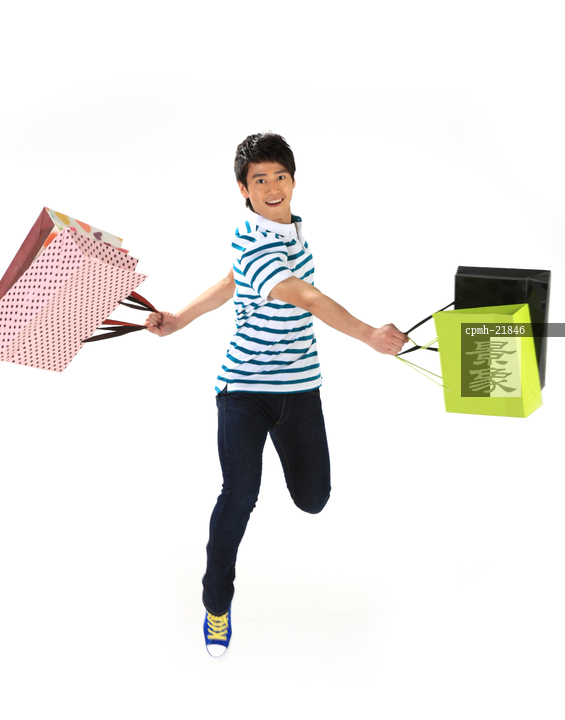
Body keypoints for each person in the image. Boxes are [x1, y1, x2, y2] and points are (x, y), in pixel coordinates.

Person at [145, 133, 408, 657]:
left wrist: (178, 319)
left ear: (293, 180)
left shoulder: (288, 227)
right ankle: (216, 605)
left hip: (300, 389)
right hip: (244, 390)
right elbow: (306, 296)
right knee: (240, 494)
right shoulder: (255, 241)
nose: (271, 187)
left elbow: (230, 281)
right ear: (242, 189)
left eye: (279, 177)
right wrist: (368, 335)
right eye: (259, 180)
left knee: (314, 499)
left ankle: (288, 500)